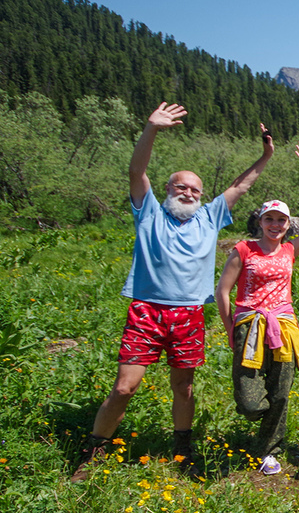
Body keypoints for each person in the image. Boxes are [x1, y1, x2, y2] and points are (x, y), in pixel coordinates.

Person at [71, 103, 274, 482]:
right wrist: (151, 129)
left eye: (194, 189)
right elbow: (136, 171)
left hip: (189, 313)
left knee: (184, 386)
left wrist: (265, 155)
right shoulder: (148, 211)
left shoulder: (210, 216)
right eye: (181, 186)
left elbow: (241, 185)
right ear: (167, 189)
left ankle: (183, 445)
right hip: (146, 310)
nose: (188, 192)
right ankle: (94, 448)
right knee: (124, 387)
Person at [215, 188, 299, 476]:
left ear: (287, 224)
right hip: (249, 326)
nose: (275, 225)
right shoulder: (244, 249)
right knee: (249, 401)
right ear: (260, 221)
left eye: (281, 220)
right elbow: (223, 290)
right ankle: (261, 418)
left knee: (280, 393)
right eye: (269, 219)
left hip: (284, 328)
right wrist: (231, 327)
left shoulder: (290, 250)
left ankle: (269, 451)